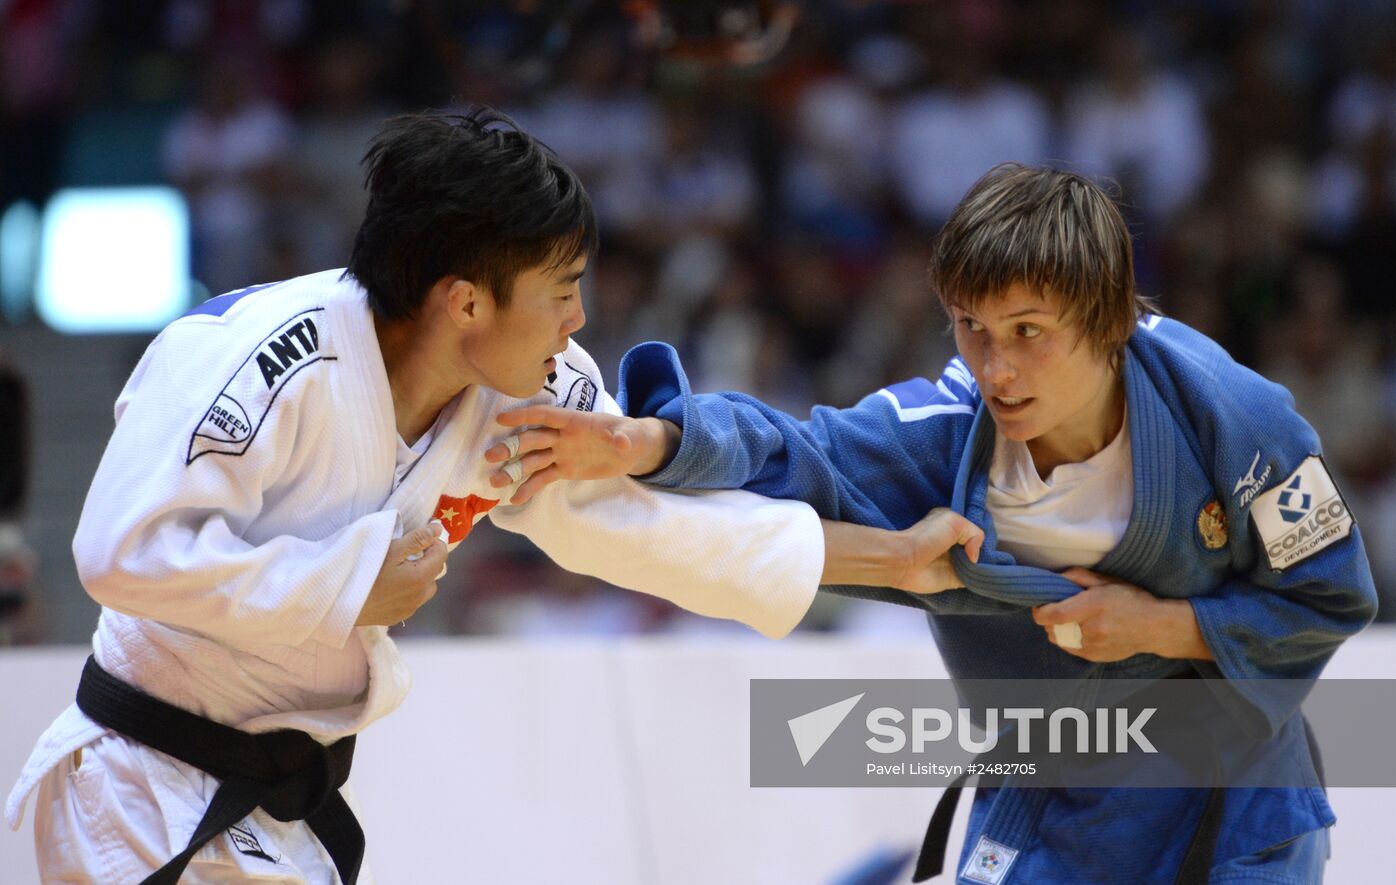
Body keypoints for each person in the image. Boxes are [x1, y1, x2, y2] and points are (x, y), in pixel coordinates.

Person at [3, 108, 981, 884]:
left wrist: (887, 560)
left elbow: (657, 531)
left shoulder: (519, 396)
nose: (580, 318)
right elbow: (118, 552)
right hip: (138, 789)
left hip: (277, 802)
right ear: (464, 299)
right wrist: (342, 582)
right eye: (560, 288)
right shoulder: (253, 359)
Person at [487, 164, 1379, 883]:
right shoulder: (950, 432)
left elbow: (1330, 596)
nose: (997, 366)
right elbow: (798, 450)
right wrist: (648, 439)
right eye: (970, 326)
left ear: (1108, 318)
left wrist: (1168, 625)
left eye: (1030, 330)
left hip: (1232, 810)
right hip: (1056, 806)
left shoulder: (1234, 416)